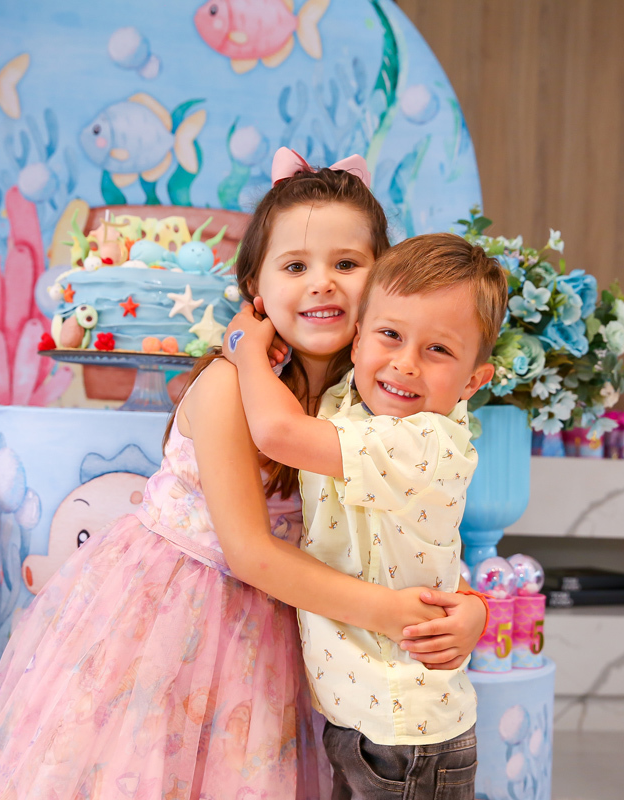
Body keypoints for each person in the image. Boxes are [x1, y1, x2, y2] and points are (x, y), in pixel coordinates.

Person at [0, 152, 488, 800]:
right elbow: (250, 553)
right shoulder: (229, 386)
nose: (322, 283)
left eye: (346, 264)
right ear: (256, 286)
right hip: (180, 614)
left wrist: (469, 605)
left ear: (382, 281)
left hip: (293, 625)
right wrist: (396, 614)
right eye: (296, 266)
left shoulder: (373, 400)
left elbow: (406, 533)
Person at [224, 232, 507, 799]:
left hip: (406, 732)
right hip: (365, 715)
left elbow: (277, 432)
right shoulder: (351, 403)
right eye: (390, 335)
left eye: (438, 350)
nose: (405, 364)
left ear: (474, 381)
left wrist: (244, 348)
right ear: (357, 341)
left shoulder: (423, 441)